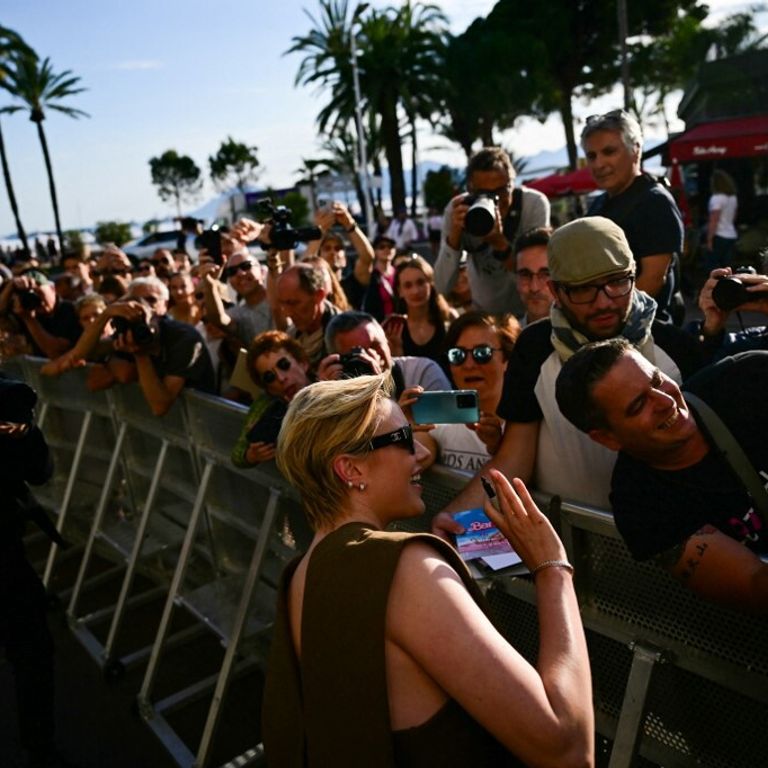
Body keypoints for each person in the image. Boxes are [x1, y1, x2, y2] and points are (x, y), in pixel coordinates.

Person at [262, 373, 593, 767]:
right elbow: (566, 748)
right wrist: (552, 567)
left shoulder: (303, 572)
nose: (420, 453)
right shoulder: (405, 569)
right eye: (402, 439)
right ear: (351, 470)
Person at [433, 216, 703, 525]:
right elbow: (514, 459)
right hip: (565, 541)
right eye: (584, 289)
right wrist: (453, 519)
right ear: (556, 290)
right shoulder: (534, 348)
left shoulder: (679, 350)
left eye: (616, 282)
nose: (603, 302)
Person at [555, 339, 768, 613]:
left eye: (656, 381)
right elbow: (754, 587)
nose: (666, 400)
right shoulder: (642, 506)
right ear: (607, 438)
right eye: (638, 405)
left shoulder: (748, 378)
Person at [43, 276, 214, 415]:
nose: (141, 308)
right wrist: (106, 315)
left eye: (150, 301)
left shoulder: (184, 338)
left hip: (204, 421)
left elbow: (160, 406)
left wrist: (139, 355)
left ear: (161, 312)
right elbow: (77, 357)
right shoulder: (126, 333)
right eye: (134, 302)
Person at [0, 378, 60, 767]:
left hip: (4, 550)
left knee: (33, 648)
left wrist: (23, 433)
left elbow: (38, 472)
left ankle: (40, 750)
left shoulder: (7, 399)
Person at [582, 109, 684, 324]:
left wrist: (611, 320)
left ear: (636, 150)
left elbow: (654, 279)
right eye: (592, 155)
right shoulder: (599, 203)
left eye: (609, 152)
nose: (599, 164)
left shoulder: (655, 201)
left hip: (646, 332)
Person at [435, 146, 550, 316]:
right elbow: (442, 286)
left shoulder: (533, 205)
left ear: (513, 184)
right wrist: (454, 238)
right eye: (483, 194)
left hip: (529, 315)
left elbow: (535, 274)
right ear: (470, 189)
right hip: (486, 317)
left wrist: (499, 243)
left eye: (501, 191)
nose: (494, 201)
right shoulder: (458, 210)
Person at [415, 311, 520, 474]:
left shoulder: (527, 430)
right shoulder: (437, 424)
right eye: (457, 355)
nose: (469, 365)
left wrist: (497, 447)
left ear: (506, 360)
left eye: (482, 353)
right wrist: (402, 427)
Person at [318, 310, 451, 397]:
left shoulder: (422, 372)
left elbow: (444, 431)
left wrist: (379, 387)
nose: (369, 358)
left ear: (387, 342)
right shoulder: (334, 392)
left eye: (375, 346)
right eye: (356, 354)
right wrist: (327, 397)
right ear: (336, 361)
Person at [231, 331, 312, 468]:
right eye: (269, 377)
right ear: (268, 388)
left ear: (302, 362)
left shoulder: (329, 382)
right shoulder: (264, 406)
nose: (281, 378)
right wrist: (251, 456)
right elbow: (237, 454)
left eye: (284, 365)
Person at [387, 254, 455, 364]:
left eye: (421, 282)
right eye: (408, 285)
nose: (416, 291)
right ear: (400, 291)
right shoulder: (395, 328)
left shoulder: (449, 318)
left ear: (431, 283)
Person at [0, 269, 81, 359]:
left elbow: (57, 352)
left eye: (39, 292)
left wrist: (29, 320)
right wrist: (10, 287)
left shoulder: (71, 310)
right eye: (30, 295)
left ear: (52, 289)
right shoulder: (25, 309)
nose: (36, 299)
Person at [276, 263, 340, 371]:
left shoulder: (342, 335)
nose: (287, 313)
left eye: (293, 303)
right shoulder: (292, 335)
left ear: (319, 295)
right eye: (283, 303)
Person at [514, 226, 553, 326]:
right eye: (525, 275)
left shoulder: (586, 337)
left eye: (545, 274)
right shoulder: (510, 339)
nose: (534, 288)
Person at [705, 169, 739, 271]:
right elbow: (734, 216)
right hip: (731, 234)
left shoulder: (716, 198)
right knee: (727, 267)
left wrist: (709, 239)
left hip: (719, 235)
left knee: (713, 267)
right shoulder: (733, 198)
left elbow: (714, 220)